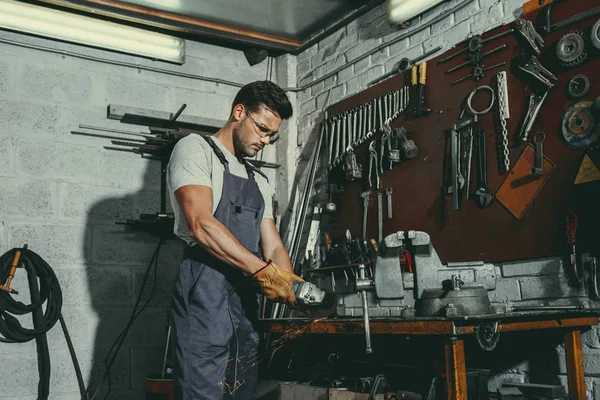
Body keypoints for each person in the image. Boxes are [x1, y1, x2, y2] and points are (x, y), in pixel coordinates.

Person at [167, 80, 304, 400]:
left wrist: (289, 284)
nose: (266, 140)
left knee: (243, 390)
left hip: (245, 302)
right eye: (261, 129)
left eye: (272, 134)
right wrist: (263, 273)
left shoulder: (260, 179)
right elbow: (201, 224)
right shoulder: (195, 149)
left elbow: (271, 243)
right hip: (204, 292)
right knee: (202, 389)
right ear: (238, 112)